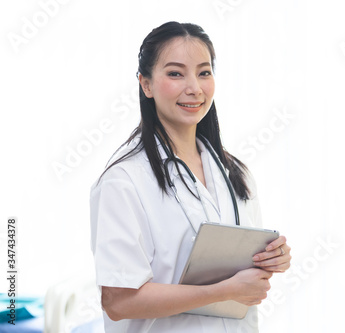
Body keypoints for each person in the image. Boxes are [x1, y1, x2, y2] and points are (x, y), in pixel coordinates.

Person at [89, 21, 292, 333]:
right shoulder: (124, 181)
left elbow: (243, 272)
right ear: (146, 84)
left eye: (204, 72)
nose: (194, 87)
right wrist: (225, 290)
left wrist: (272, 258)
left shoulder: (236, 174)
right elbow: (119, 301)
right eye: (175, 73)